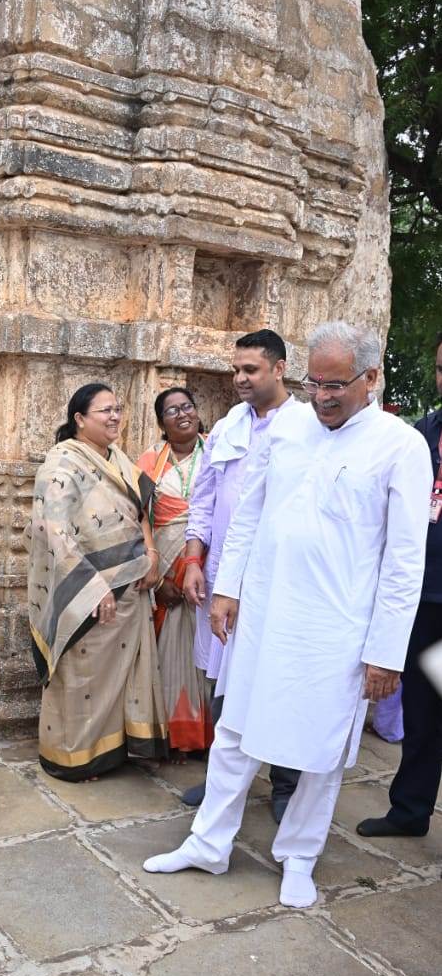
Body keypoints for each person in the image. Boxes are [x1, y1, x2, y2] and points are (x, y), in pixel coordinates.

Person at [143, 321, 431, 910]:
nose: (322, 396)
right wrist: (228, 590)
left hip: (337, 630)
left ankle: (299, 855)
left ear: (371, 379)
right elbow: (248, 510)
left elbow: (405, 561)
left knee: (320, 750)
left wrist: (385, 651)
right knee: (235, 733)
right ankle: (208, 842)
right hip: (265, 613)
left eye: (337, 385)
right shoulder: (289, 427)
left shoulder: (401, 447)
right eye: (314, 382)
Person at [180, 329, 299, 820]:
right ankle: (222, 781)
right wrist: (192, 557)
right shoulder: (230, 424)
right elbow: (204, 496)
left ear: (279, 369)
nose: (240, 378)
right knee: (221, 679)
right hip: (219, 576)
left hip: (274, 581)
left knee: (276, 678)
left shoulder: (305, 427)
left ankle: (286, 784)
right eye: (236, 370)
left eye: (250, 369)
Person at [27, 383, 165, 781]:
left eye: (118, 409)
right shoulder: (61, 465)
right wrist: (94, 588)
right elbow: (53, 531)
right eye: (104, 410)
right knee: (82, 677)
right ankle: (73, 758)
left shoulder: (118, 459)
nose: (115, 417)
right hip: (90, 593)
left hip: (131, 585)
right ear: (80, 419)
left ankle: (117, 751)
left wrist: (152, 555)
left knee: (122, 675)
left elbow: (140, 510)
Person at [357, 332, 442, 838]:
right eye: (439, 368)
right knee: (423, 710)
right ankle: (409, 812)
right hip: (426, 598)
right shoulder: (423, 433)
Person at [137, 387, 212, 757]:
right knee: (167, 649)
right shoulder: (150, 461)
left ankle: (206, 734)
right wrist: (158, 578)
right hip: (163, 571)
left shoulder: (218, 452)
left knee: (207, 646)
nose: (182, 414)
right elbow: (137, 518)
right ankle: (167, 733)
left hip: (209, 568)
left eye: (187, 406)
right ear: (162, 423)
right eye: (171, 411)